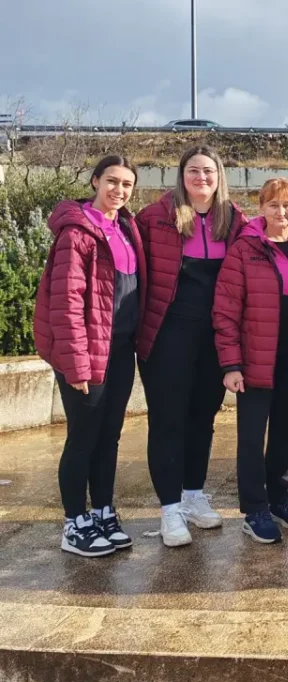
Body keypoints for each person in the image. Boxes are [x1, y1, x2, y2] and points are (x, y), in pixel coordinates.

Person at [34, 155, 146, 557]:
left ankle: (102, 511)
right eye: (112, 181)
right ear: (95, 181)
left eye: (127, 184)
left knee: (109, 435)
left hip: (121, 349)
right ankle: (74, 522)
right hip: (87, 350)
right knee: (83, 436)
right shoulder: (77, 232)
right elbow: (65, 302)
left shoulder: (127, 228)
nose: (119, 190)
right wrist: (76, 364)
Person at [136, 145, 247, 547]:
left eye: (209, 171)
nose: (202, 178)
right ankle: (169, 509)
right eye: (193, 171)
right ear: (182, 176)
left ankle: (193, 495)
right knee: (168, 420)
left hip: (213, 336)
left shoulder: (234, 220)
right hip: (168, 334)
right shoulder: (154, 217)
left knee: (203, 417)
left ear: (220, 177)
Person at [213, 178, 288, 544]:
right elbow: (225, 309)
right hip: (255, 358)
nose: (281, 212)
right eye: (273, 205)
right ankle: (255, 509)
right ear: (261, 208)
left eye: (287, 204)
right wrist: (231, 364)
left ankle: (279, 500)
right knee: (252, 436)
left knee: (286, 431)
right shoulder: (245, 248)